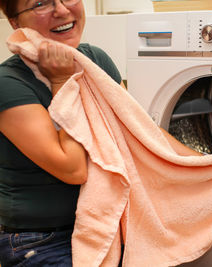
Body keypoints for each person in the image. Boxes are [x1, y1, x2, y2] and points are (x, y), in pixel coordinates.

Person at [0, 0, 125, 266]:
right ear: (15, 23)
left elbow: (135, 135)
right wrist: (62, 82)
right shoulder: (7, 83)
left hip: (109, 224)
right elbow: (73, 169)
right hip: (40, 241)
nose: (62, 10)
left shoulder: (95, 60)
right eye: (41, 3)